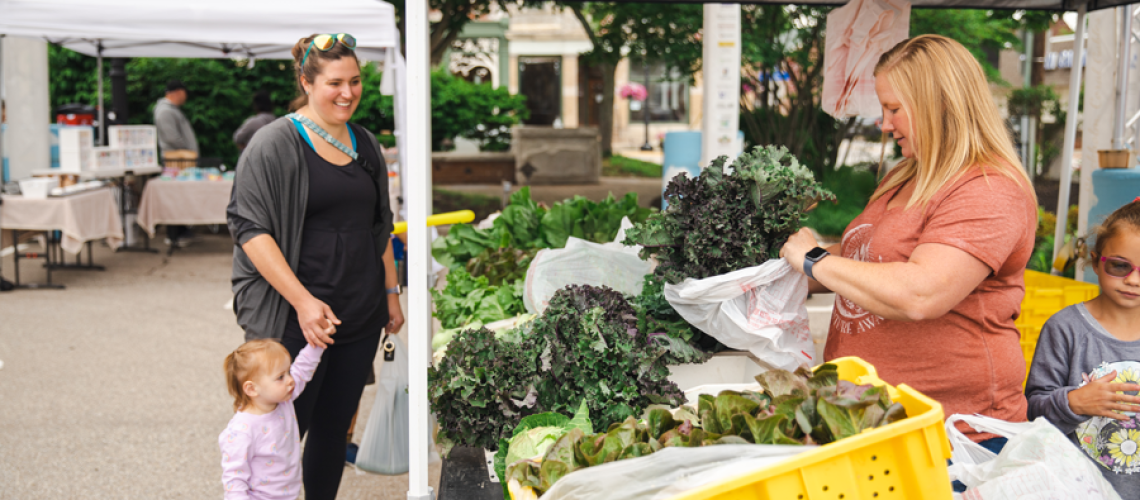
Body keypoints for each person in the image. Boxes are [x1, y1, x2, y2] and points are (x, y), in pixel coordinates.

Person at [779, 35, 1038, 451]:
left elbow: (921, 293)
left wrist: (811, 259)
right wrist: (781, 269)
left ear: (941, 104)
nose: (884, 124)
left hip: (954, 437)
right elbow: (867, 259)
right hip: (870, 423)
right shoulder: (905, 176)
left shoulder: (989, 189)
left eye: (894, 109)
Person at [226, 33, 404, 500]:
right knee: (281, 436)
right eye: (334, 83)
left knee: (332, 431)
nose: (347, 93)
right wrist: (304, 303)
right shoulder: (273, 144)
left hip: (357, 315)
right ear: (306, 82)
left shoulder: (365, 143)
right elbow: (250, 230)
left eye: (356, 81)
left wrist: (391, 294)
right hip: (291, 320)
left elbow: (378, 226)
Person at [1026, 199, 1140, 496]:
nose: (1133, 280)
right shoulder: (1065, 329)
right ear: (1094, 260)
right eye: (1120, 265)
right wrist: (1074, 402)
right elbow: (1031, 413)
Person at [219, 338, 323, 499]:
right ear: (252, 389)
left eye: (288, 371)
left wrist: (317, 344)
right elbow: (234, 480)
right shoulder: (242, 431)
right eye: (280, 377)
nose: (290, 380)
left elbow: (302, 370)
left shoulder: (283, 401)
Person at [154, 79, 198, 247]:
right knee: (176, 196)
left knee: (182, 196)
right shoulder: (165, 111)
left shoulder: (171, 110)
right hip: (176, 162)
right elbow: (172, 137)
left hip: (182, 161)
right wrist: (187, 150)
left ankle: (182, 230)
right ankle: (175, 233)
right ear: (178, 92)